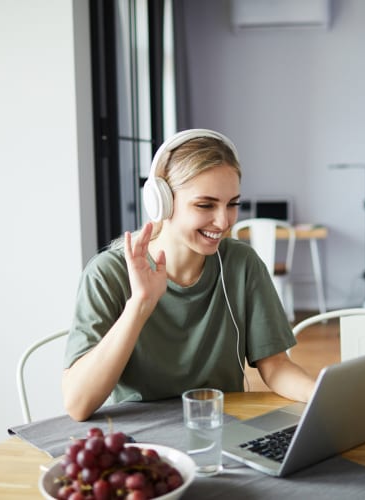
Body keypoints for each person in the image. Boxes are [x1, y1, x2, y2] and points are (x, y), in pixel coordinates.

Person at [62, 129, 316, 421]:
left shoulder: (241, 264)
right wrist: (140, 304)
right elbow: (77, 404)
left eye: (232, 204)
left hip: (220, 430)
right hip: (140, 442)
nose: (223, 221)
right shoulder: (109, 273)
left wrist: (321, 394)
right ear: (162, 203)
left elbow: (276, 366)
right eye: (205, 205)